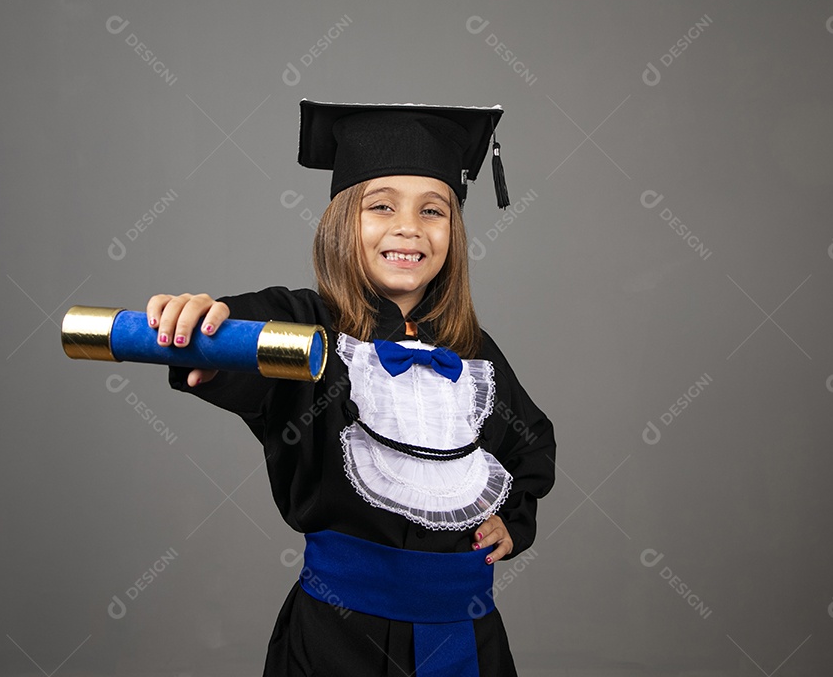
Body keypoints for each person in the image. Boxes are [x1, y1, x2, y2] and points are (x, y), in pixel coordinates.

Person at [148, 100, 556, 676]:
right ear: (343, 221)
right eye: (381, 206)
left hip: (464, 631)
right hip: (339, 640)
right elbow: (235, 334)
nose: (408, 227)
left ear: (453, 231)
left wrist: (512, 523)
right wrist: (201, 322)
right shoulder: (305, 326)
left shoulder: (475, 353)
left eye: (433, 210)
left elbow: (532, 444)